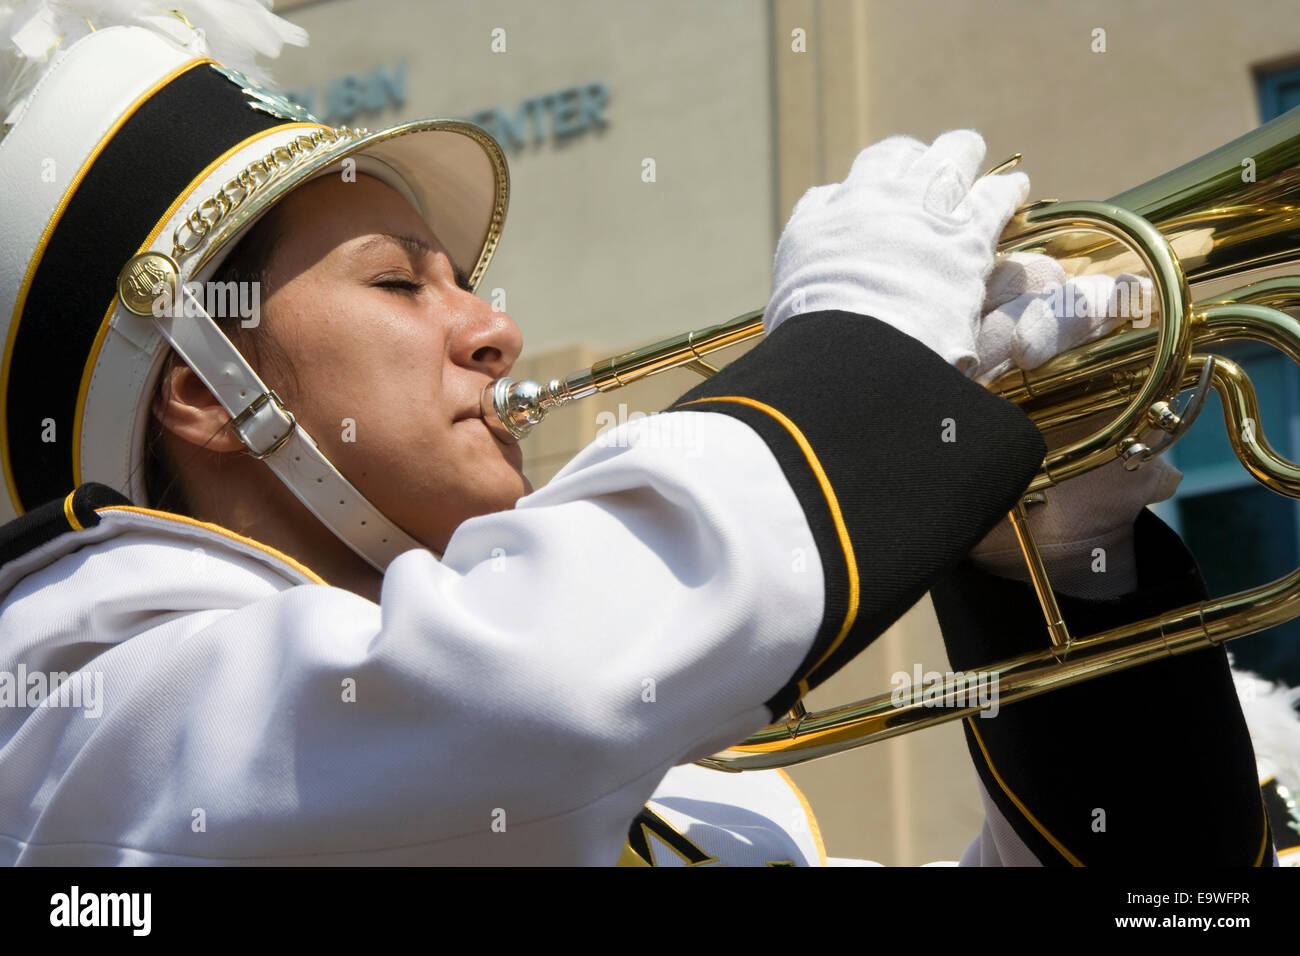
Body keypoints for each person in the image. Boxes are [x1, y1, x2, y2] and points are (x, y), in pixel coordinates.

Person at [0, 1, 1273, 866]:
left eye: (468, 280)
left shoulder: (718, 813)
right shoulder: (83, 699)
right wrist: (861, 356)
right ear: (209, 391)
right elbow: (519, 682)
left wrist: (1050, 574)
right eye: (401, 283)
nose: (492, 330)